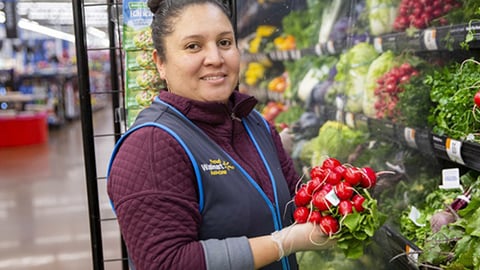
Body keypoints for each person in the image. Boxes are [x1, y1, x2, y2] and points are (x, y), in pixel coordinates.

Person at [107, 1, 334, 269]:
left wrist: (341, 195)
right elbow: (166, 263)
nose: (215, 58)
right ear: (160, 63)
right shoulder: (151, 146)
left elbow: (296, 202)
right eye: (194, 46)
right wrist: (282, 243)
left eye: (225, 43)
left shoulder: (254, 124)